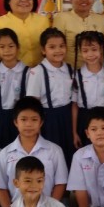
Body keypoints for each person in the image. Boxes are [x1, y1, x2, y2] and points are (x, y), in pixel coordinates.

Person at [0, 97, 68, 207]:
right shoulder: (5, 153)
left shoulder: (54, 151)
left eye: (34, 119)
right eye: (23, 119)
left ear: (41, 122)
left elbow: (60, 183)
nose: (29, 124)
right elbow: (0, 186)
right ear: (16, 122)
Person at [26, 28, 74, 163]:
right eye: (52, 47)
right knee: (51, 155)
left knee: (68, 152)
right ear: (43, 50)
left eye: (61, 46)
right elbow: (33, 103)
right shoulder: (37, 72)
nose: (58, 50)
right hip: (49, 119)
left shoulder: (69, 69)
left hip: (67, 117)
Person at [0, 28, 29, 148]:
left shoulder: (28, 72)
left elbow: (31, 102)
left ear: (18, 47)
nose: (7, 50)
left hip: (22, 119)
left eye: (11, 46)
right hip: (1, 121)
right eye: (2, 47)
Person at [54, 0, 104, 68]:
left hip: (95, 72)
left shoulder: (100, 19)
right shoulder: (61, 18)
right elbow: (56, 49)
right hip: (70, 71)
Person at [71, 30, 104, 149]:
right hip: (84, 121)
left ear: (101, 49)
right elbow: (74, 105)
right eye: (85, 51)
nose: (90, 54)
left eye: (94, 49)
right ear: (80, 52)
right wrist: (74, 132)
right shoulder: (77, 75)